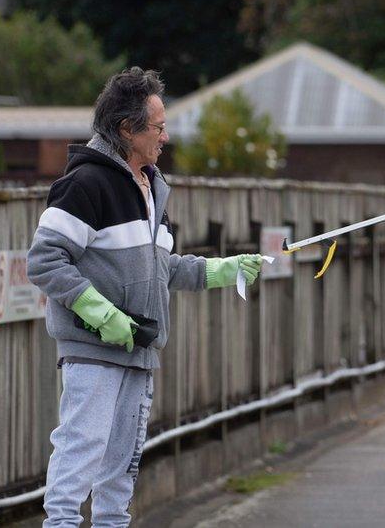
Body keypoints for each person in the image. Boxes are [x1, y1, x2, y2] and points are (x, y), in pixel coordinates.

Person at [27, 67, 264, 527]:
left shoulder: (152, 189)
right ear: (127, 130)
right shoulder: (85, 185)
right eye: (157, 127)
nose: (165, 136)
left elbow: (164, 268)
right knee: (82, 450)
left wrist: (223, 270)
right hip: (94, 351)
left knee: (122, 470)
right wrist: (102, 316)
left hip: (140, 349)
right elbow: (43, 261)